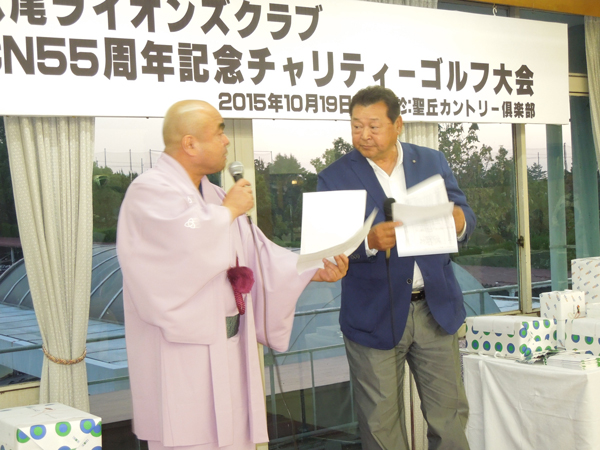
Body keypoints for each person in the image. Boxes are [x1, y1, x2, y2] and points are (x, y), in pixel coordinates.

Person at [116, 100, 348, 450]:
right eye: (219, 132)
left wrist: (311, 268)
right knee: (189, 439)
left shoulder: (215, 195)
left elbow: (257, 254)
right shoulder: (149, 190)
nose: (226, 141)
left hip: (230, 345)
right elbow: (179, 245)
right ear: (190, 143)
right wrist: (226, 212)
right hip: (181, 351)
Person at [317, 86, 475, 450]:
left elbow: (464, 214)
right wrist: (367, 242)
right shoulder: (334, 177)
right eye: (356, 125)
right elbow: (327, 247)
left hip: (436, 309)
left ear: (397, 124)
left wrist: (460, 221)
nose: (363, 135)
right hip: (372, 315)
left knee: (449, 418)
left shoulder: (432, 161)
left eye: (373, 126)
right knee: (380, 425)